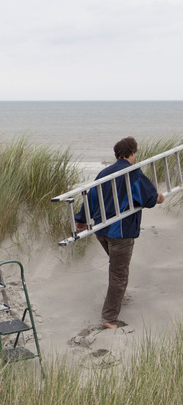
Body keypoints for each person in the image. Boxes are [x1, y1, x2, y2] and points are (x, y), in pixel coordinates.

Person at [75, 136, 164, 329]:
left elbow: (90, 198)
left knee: (117, 267)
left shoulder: (103, 173)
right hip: (120, 233)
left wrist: (81, 219)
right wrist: (159, 198)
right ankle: (109, 317)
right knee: (119, 274)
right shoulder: (133, 173)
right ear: (133, 153)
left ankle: (115, 299)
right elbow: (149, 199)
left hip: (101, 231)